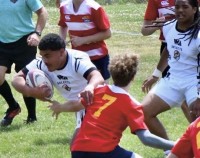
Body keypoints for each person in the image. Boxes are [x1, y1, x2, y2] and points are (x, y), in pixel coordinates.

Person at [48, 53, 175, 158]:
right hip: (103, 152)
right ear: (133, 77)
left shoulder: (97, 91)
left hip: (78, 150)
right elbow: (146, 138)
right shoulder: (132, 104)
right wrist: (174, 145)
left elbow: (76, 105)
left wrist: (60, 107)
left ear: (111, 73)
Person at [12, 33, 104, 144]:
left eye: (47, 56)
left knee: (80, 145)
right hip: (80, 105)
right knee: (82, 147)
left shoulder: (76, 60)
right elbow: (16, 79)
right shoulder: (42, 63)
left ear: (61, 52)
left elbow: (97, 76)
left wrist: (90, 87)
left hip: (95, 103)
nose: (44, 60)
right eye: (42, 56)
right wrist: (33, 92)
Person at [141, 0, 200, 143]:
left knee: (196, 118)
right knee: (144, 112)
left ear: (194, 9)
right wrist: (155, 75)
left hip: (194, 81)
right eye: (177, 7)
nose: (180, 10)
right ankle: (169, 150)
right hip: (173, 79)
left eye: (185, 7)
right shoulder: (168, 27)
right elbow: (169, 49)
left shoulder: (198, 35)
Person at [0, 0, 48, 126]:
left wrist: (37, 33)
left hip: (25, 42)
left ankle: (32, 117)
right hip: (2, 42)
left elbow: (42, 12)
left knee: (27, 79)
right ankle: (13, 107)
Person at [58, 0, 111, 82]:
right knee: (81, 90)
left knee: (100, 91)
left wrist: (84, 40)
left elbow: (107, 33)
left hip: (97, 57)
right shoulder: (63, 7)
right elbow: (63, 26)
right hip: (77, 58)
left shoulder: (94, 7)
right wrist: (61, 41)